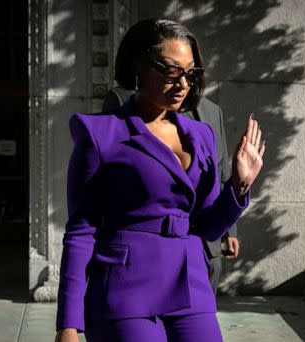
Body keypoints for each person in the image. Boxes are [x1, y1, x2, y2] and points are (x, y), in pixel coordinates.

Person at [55, 19, 265, 342]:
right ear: (137, 64)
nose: (183, 83)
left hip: (191, 286)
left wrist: (239, 186)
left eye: (191, 73)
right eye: (171, 70)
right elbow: (81, 231)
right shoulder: (100, 134)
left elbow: (207, 226)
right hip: (125, 289)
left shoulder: (201, 135)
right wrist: (68, 326)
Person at [102, 87, 240, 296]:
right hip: (153, 249)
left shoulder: (213, 110)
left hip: (206, 245)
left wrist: (230, 229)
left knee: (202, 317)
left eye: (192, 68)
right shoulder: (126, 100)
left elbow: (221, 172)